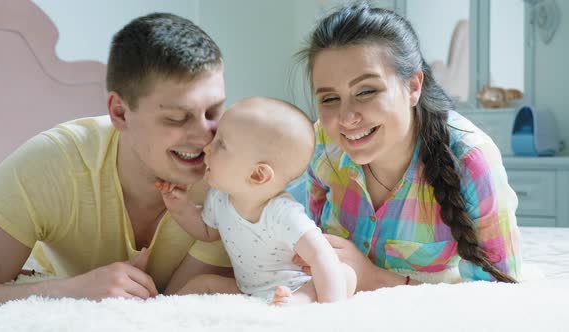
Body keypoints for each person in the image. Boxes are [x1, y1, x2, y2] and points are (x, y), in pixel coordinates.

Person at [0, 13, 232, 309]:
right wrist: (68, 290)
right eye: (177, 118)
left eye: (214, 112)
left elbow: (171, 308)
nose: (205, 137)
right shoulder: (50, 163)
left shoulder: (233, 178)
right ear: (120, 113)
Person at [292, 2, 522, 290]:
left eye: (366, 91)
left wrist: (374, 278)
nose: (347, 118)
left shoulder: (470, 159)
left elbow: (502, 292)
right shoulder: (321, 144)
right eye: (329, 99)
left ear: (414, 86)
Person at [156, 97, 356, 305]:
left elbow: (320, 255)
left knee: (344, 273)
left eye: (221, 144)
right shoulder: (220, 198)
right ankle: (162, 312)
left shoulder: (282, 213)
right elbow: (206, 231)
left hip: (294, 285)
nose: (207, 147)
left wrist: (331, 307)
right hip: (249, 291)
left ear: (257, 175)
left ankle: (298, 301)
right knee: (203, 283)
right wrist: (180, 207)